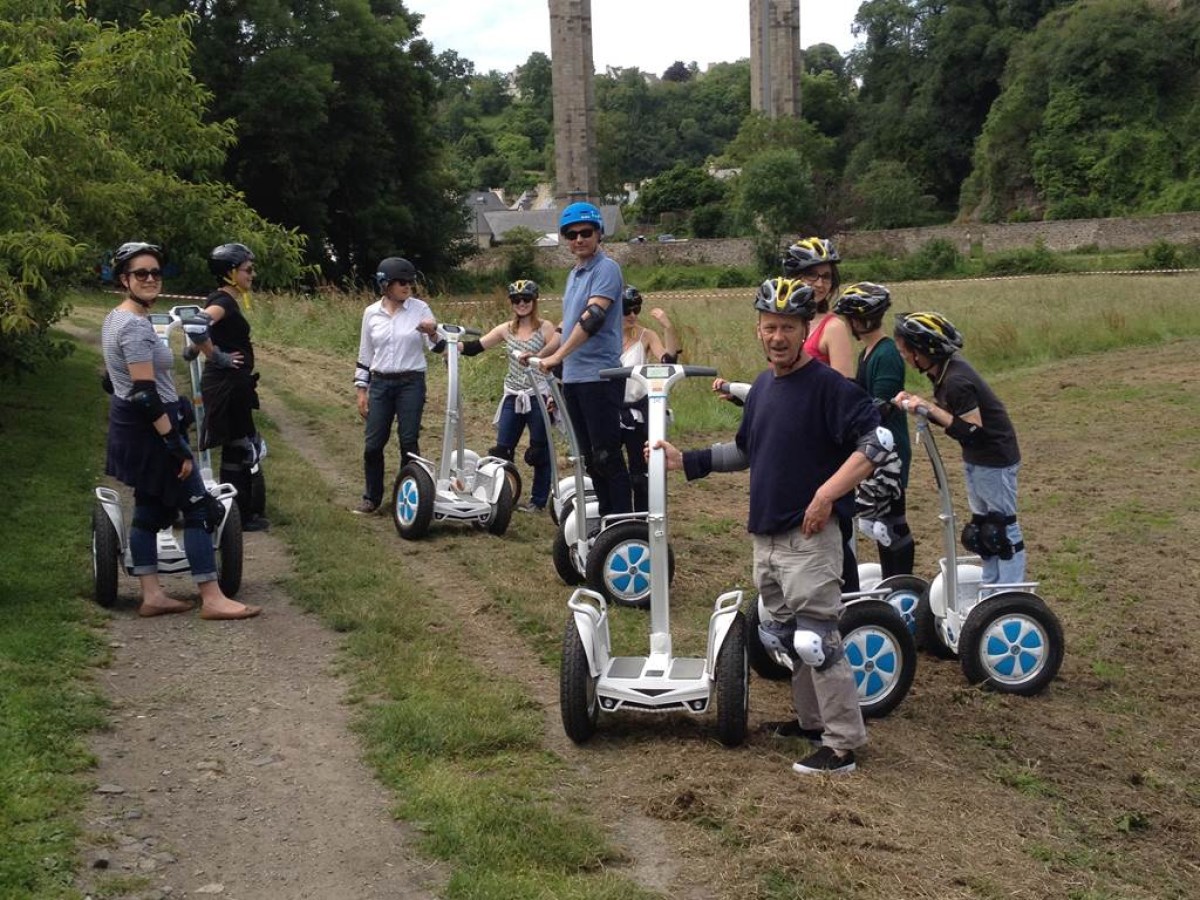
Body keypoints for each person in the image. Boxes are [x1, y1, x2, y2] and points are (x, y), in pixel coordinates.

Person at [654, 277, 893, 775]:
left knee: (817, 640)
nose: (777, 337)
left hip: (809, 539)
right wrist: (686, 460)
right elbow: (746, 451)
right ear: (758, 330)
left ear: (805, 329)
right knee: (784, 635)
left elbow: (877, 443)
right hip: (765, 535)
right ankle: (811, 722)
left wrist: (828, 494)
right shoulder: (763, 387)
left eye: (787, 327)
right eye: (768, 327)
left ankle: (844, 744)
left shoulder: (831, 388)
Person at [101, 242, 261, 620]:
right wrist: (174, 443)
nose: (151, 279)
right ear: (124, 279)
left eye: (155, 273)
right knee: (198, 508)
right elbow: (143, 394)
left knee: (148, 509)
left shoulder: (115, 319)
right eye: (141, 274)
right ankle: (212, 598)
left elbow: (112, 379)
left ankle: (152, 595)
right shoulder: (136, 329)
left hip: (134, 428)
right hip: (151, 431)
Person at [892, 311, 1025, 585]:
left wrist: (928, 408)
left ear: (923, 351)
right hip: (978, 458)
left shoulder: (956, 381)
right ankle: (991, 587)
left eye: (905, 350)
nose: (903, 355)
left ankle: (1011, 592)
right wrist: (921, 405)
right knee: (981, 529)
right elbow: (957, 422)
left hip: (995, 458)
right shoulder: (943, 373)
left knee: (1000, 529)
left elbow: (973, 431)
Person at [533, 202, 632, 517]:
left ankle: (622, 521)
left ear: (599, 233)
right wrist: (540, 354)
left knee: (607, 455)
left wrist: (558, 357)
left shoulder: (607, 269)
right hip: (575, 378)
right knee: (589, 457)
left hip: (600, 376)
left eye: (585, 233)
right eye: (571, 235)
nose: (579, 239)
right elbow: (566, 326)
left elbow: (592, 318)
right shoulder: (574, 274)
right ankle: (606, 518)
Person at [184, 242, 270, 532]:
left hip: (232, 384)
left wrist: (197, 351)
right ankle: (239, 516)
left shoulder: (220, 298)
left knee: (238, 448)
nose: (252, 275)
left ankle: (237, 512)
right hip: (228, 385)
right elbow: (196, 327)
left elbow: (203, 332)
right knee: (242, 449)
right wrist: (216, 356)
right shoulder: (225, 301)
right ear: (231, 273)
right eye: (247, 270)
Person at [833, 283, 915, 577]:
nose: (849, 325)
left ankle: (901, 581)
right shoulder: (868, 353)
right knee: (881, 519)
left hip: (889, 450)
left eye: (850, 319)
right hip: (877, 446)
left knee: (892, 521)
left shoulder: (886, 354)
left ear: (860, 319)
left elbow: (880, 406)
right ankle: (892, 579)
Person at [459, 279, 557, 512]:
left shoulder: (546, 328)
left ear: (535, 301)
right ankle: (503, 494)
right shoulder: (506, 329)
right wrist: (449, 345)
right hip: (513, 395)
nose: (521, 304)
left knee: (539, 450)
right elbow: (476, 347)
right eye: (516, 300)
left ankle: (538, 500)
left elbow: (557, 359)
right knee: (502, 450)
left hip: (538, 395)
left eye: (526, 300)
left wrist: (555, 393)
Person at [352, 256, 439, 515]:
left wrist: (432, 332)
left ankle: (407, 498)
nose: (407, 286)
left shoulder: (420, 309)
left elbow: (437, 347)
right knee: (373, 444)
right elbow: (365, 354)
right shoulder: (371, 313)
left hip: (411, 382)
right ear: (385, 284)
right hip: (380, 383)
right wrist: (361, 390)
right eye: (401, 282)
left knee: (409, 442)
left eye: (410, 282)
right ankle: (372, 498)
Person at [619, 286, 681, 511]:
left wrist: (667, 326)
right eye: (627, 310)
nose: (633, 315)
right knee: (608, 465)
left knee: (639, 471)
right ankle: (618, 514)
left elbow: (668, 361)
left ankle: (643, 518)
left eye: (637, 309)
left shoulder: (646, 336)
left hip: (636, 412)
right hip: (610, 409)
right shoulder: (603, 337)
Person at [781, 237, 855, 378]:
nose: (820, 284)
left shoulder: (834, 328)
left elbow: (844, 389)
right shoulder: (782, 323)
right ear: (794, 278)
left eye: (826, 276)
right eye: (811, 275)